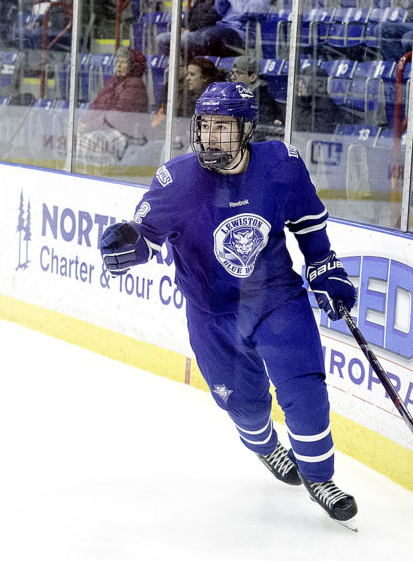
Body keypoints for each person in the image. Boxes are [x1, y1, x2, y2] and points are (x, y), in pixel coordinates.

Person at [98, 81, 360, 530]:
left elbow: (309, 225)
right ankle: (265, 447)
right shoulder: (178, 180)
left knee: (304, 387)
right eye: (205, 125)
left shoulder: (281, 164)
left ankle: (320, 478)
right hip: (213, 312)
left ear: (246, 129)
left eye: (222, 126)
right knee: (246, 407)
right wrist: (127, 245)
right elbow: (145, 238)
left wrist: (324, 266)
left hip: (275, 297)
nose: (210, 136)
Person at [75, 47, 150, 165]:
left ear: (132, 66)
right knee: (77, 138)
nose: (118, 65)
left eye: (123, 62)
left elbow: (116, 116)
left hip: (128, 133)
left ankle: (97, 174)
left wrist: (89, 126)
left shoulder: (135, 85)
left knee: (93, 141)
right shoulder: (112, 81)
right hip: (108, 127)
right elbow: (96, 105)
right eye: (117, 61)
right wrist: (84, 123)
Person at [183, 0, 272, 58]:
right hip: (224, 27)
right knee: (189, 38)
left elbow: (245, 13)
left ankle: (204, 62)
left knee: (207, 36)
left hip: (241, 33)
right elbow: (221, 11)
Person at [156, 0, 223, 58]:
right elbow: (190, 14)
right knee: (161, 38)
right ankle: (171, 64)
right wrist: (182, 26)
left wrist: (190, 29)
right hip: (192, 32)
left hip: (207, 33)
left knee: (185, 38)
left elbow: (211, 18)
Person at [228, 55, 284, 139]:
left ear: (253, 77)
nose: (232, 77)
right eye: (232, 73)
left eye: (238, 73)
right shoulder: (236, 94)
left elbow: (258, 132)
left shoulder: (262, 99)